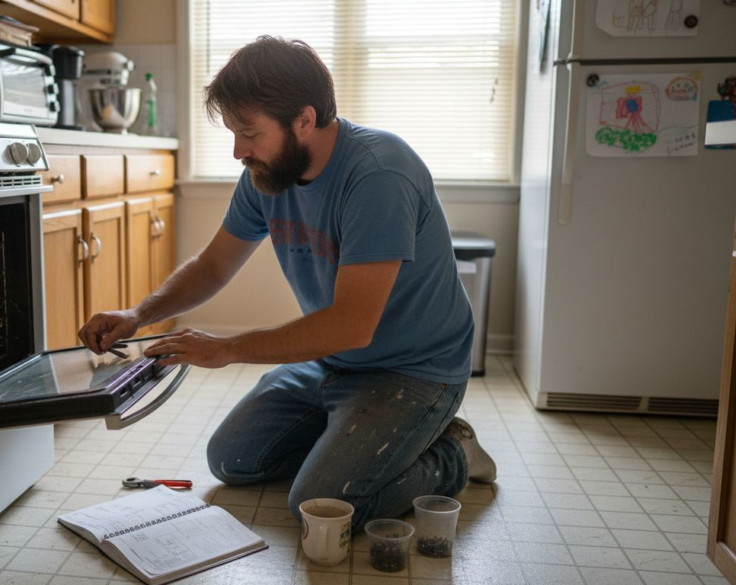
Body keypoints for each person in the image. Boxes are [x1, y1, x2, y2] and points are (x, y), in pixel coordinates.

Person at [78, 36, 496, 528]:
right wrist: (138, 314)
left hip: (415, 372)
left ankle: (453, 455)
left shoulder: (379, 175)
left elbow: (351, 326)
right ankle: (360, 437)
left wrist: (228, 348)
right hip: (332, 364)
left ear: (304, 119)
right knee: (231, 461)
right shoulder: (266, 175)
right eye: (233, 133)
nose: (238, 151)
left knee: (322, 505)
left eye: (249, 133)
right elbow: (213, 267)